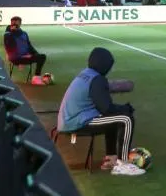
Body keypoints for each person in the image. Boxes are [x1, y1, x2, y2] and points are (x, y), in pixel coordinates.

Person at [57, 47, 144, 176]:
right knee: (126, 119)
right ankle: (123, 163)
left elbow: (103, 106)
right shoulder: (97, 79)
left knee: (115, 118)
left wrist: (120, 108)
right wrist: (125, 109)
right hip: (77, 122)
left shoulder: (86, 74)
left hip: (69, 120)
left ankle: (111, 159)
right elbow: (106, 108)